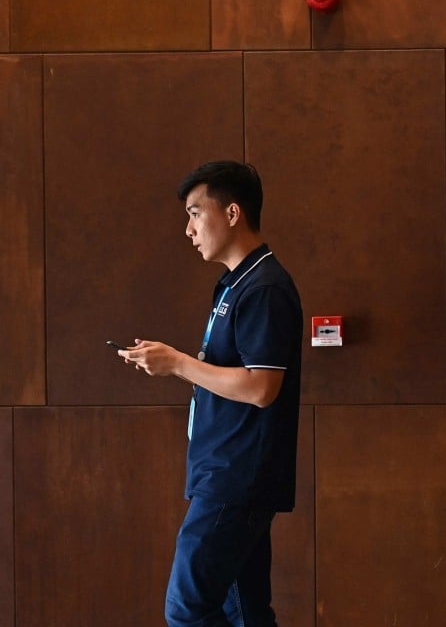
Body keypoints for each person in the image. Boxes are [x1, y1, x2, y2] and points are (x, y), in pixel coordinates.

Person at [119, 160, 303, 627]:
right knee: (245, 614)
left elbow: (263, 388)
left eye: (196, 213)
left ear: (233, 213)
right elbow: (234, 379)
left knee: (186, 609)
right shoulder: (236, 284)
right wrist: (171, 365)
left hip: (235, 478)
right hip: (228, 474)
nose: (189, 228)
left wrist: (179, 362)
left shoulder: (263, 288)